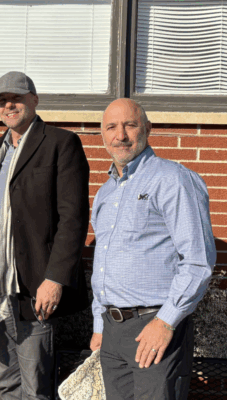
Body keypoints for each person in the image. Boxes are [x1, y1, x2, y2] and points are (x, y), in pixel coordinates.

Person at [0, 71, 90, 400]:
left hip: (34, 289)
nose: (9, 105)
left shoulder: (61, 144)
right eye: (2, 101)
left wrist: (55, 278)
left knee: (36, 388)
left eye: (16, 98)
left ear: (34, 99)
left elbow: (73, 218)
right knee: (7, 385)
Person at [89, 98, 216, 400]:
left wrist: (166, 321)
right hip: (111, 332)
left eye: (130, 125)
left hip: (154, 328)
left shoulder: (172, 180)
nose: (120, 135)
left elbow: (198, 261)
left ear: (147, 129)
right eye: (111, 127)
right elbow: (103, 264)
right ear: (102, 135)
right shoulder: (106, 193)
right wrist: (98, 324)